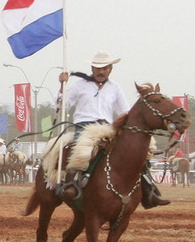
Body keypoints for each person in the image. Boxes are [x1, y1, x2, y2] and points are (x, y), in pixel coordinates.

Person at [56, 50, 169, 208]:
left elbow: (125, 110)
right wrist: (62, 87)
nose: (101, 71)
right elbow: (63, 106)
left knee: (144, 149)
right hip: (84, 126)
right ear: (92, 69)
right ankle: (70, 185)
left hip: (108, 127)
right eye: (97, 68)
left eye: (104, 68)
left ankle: (150, 191)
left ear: (110, 69)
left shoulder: (115, 88)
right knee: (82, 151)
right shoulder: (79, 85)